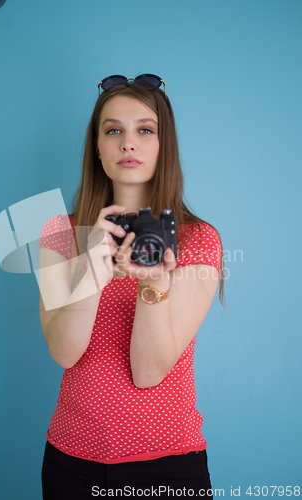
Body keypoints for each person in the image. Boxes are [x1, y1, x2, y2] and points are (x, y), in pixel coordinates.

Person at [38, 74, 226, 499]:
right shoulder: (58, 233)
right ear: (97, 148)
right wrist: (92, 272)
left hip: (168, 465)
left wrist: (153, 284)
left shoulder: (199, 240)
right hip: (72, 462)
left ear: (165, 145)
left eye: (145, 129)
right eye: (113, 130)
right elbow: (65, 352)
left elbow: (148, 371)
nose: (128, 143)